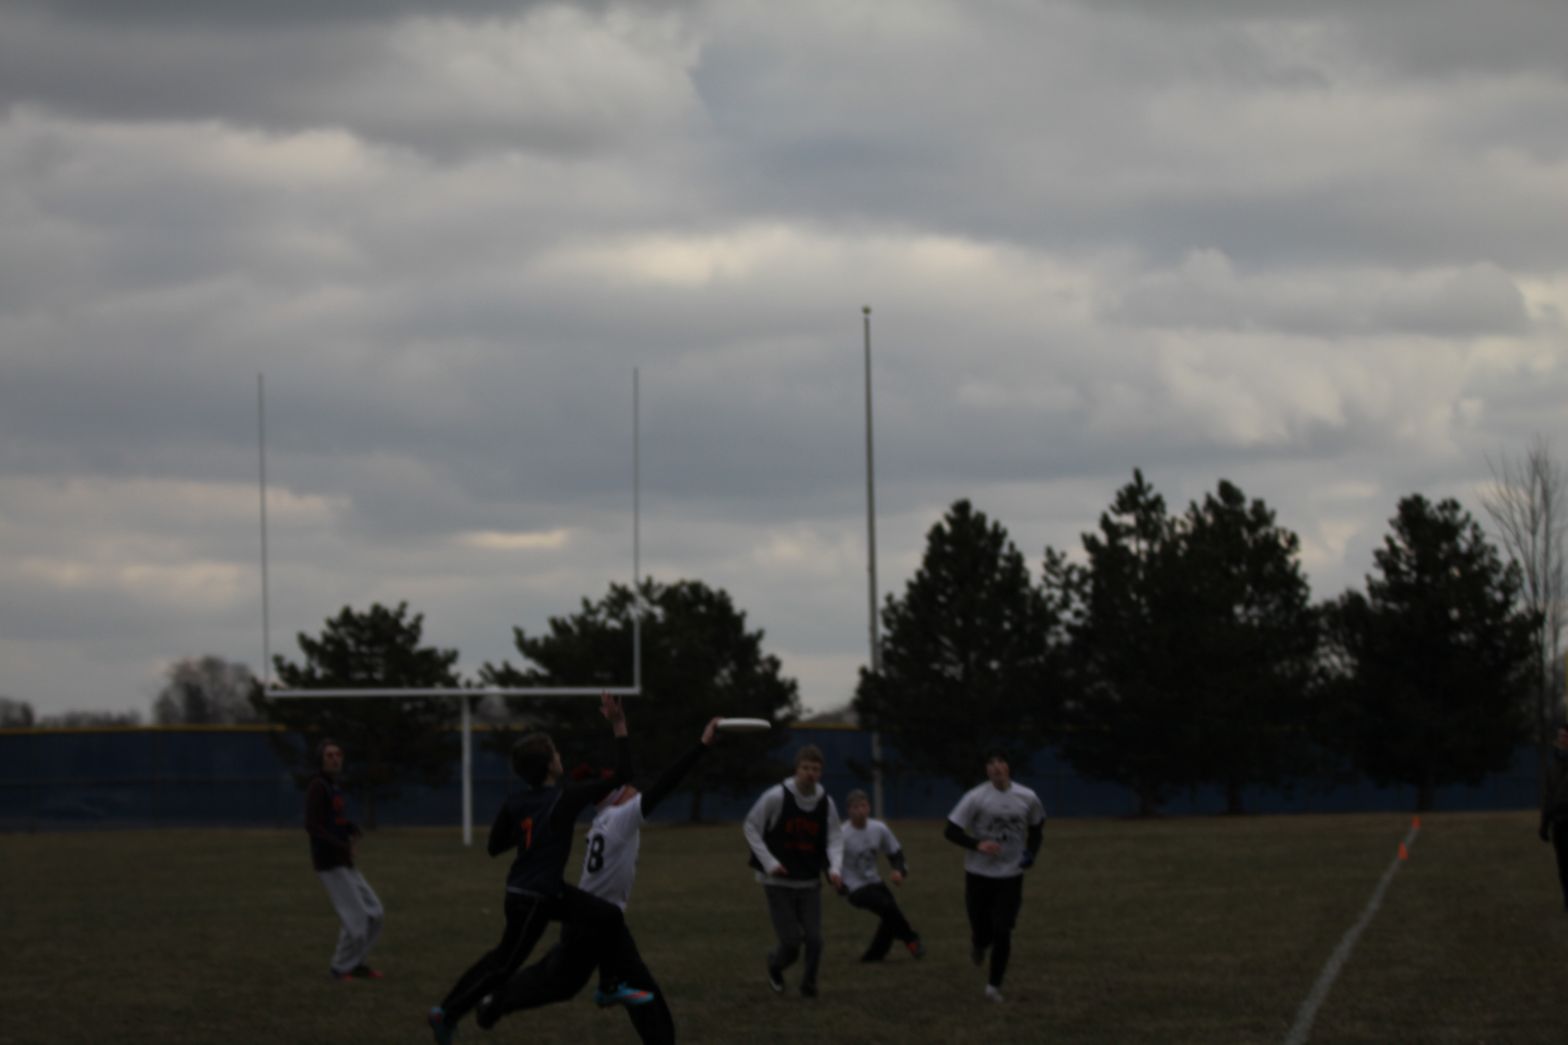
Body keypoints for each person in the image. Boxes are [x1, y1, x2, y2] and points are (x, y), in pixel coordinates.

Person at [481, 716, 723, 1044]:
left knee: (559, 982)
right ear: (617, 797)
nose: (635, 790)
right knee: (638, 986)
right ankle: (497, 999)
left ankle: (496, 1001)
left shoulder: (604, 820)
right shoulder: (622, 818)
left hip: (586, 920)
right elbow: (666, 784)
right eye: (628, 788)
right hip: (597, 922)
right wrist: (702, 745)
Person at [428, 693, 652, 1044]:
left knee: (606, 916)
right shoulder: (565, 797)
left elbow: (494, 847)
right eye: (556, 754)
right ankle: (448, 1013)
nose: (560, 757)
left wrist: (529, 833)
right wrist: (618, 724)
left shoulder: (517, 801)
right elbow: (625, 774)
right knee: (504, 965)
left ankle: (609, 986)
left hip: (524, 891)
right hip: (538, 897)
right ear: (549, 765)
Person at [744, 744, 844, 999]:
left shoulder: (825, 802)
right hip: (778, 883)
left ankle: (808, 986)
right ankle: (775, 965)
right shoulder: (777, 796)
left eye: (816, 769)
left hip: (809, 882)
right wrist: (769, 863)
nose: (810, 773)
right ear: (796, 769)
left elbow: (835, 838)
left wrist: (835, 868)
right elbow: (751, 826)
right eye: (806, 768)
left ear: (821, 773)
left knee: (815, 940)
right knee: (791, 942)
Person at [944, 750, 1045, 1003]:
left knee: (1003, 930)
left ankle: (993, 986)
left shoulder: (1028, 797)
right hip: (978, 874)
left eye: (1000, 761)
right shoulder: (975, 797)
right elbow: (951, 831)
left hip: (1011, 875)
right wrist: (977, 844)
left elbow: (1036, 829)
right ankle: (979, 944)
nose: (996, 766)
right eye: (991, 763)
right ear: (986, 770)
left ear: (1008, 767)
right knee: (982, 930)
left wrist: (1030, 854)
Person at [304, 737, 385, 981]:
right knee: (357, 918)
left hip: (344, 860)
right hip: (330, 862)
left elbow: (333, 819)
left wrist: (349, 827)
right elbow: (313, 825)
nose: (335, 759)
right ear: (320, 760)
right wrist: (340, 844)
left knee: (375, 913)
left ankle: (356, 963)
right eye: (329, 755)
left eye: (338, 754)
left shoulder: (333, 786)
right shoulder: (318, 786)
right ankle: (340, 968)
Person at [838, 788, 923, 963]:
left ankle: (874, 956)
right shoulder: (841, 834)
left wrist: (898, 870)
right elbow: (829, 860)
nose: (860, 811)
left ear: (869, 807)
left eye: (863, 806)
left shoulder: (879, 828)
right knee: (888, 907)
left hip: (874, 881)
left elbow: (896, 853)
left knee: (890, 916)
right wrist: (837, 882)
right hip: (853, 887)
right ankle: (911, 939)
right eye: (855, 807)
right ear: (848, 810)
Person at [1539, 725, 1568, 911]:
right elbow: (1549, 797)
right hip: (1559, 822)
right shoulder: (1553, 767)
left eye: (1565, 736)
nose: (1562, 740)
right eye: (1560, 736)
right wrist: (1544, 824)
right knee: (1563, 865)